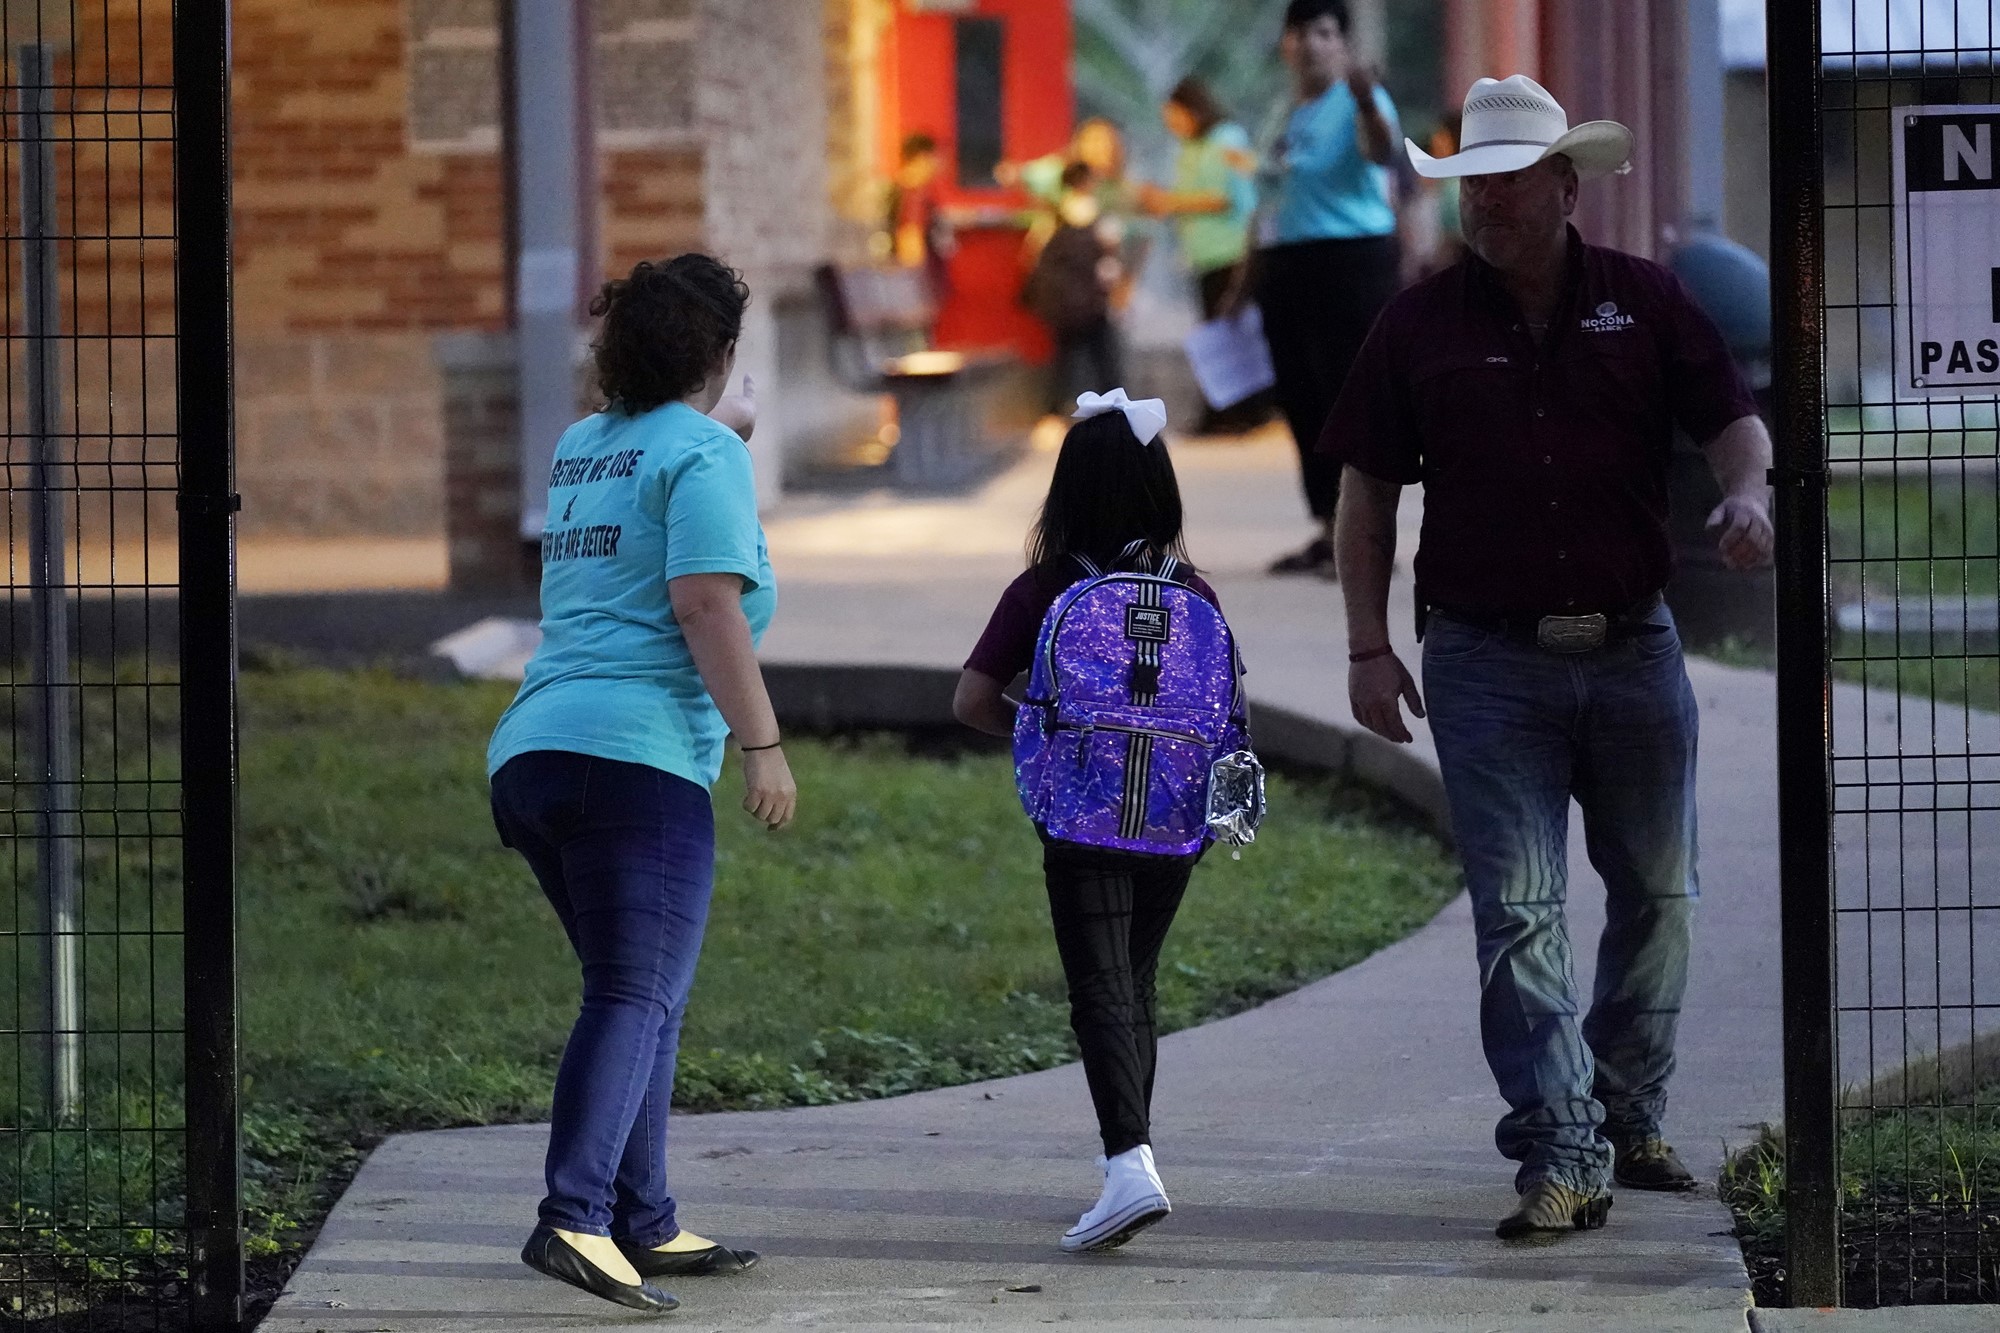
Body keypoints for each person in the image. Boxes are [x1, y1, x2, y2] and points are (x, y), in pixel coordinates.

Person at [1322, 75, 1776, 1239]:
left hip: (1632, 650)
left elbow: (1733, 418)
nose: (1486, 201)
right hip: (1485, 662)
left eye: (1508, 179)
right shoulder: (1415, 325)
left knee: (1659, 895)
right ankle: (1561, 1147)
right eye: (1472, 181)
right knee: (1518, 913)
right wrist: (1368, 645)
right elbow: (1364, 493)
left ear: (1565, 187)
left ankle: (1626, 1112)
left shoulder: (1646, 302)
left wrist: (1743, 496)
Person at [487, 254, 796, 1313]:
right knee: (634, 991)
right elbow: (704, 604)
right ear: (717, 356)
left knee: (641, 994)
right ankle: (574, 1216)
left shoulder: (585, 445)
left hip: (535, 753)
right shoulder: (702, 449)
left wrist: (721, 435)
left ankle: (644, 1220)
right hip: (635, 761)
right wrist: (762, 743)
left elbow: (648, 494)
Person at [952, 392, 1227, 1254]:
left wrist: (1043, 736)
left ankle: (1128, 1163)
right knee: (1134, 982)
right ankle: (1132, 1156)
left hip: (1081, 821)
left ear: (1064, 490)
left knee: (1102, 987)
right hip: (1176, 821)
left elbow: (969, 701)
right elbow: (1227, 710)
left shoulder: (1043, 589)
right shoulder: (1196, 592)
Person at [1252, 0, 1402, 578]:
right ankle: (1326, 528)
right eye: (1299, 33)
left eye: (1323, 32)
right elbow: (1269, 194)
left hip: (1351, 262)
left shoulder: (1361, 101)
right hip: (1289, 263)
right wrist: (1246, 278)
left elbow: (1381, 152)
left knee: (1348, 399)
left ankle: (1365, 539)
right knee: (1302, 399)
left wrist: (1366, 99)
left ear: (1340, 43)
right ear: (1286, 44)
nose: (1310, 44)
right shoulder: (1284, 112)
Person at [1140, 76, 1270, 435]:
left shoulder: (1225, 139)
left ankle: (1244, 412)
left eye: (1175, 116)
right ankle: (1225, 411)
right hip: (1204, 255)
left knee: (1234, 336)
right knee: (1216, 339)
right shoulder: (1191, 147)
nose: (1172, 125)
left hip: (1231, 250)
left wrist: (1169, 202)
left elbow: (1223, 196)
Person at [1025, 161, 1127, 415]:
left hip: (1061, 302)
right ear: (1087, 182)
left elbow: (1031, 254)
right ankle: (1116, 413)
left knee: (1062, 362)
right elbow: (1112, 252)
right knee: (1105, 360)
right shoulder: (1098, 212)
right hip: (1093, 299)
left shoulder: (1053, 214)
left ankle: (1053, 414)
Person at [888, 132, 955, 299]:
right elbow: (910, 235)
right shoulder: (914, 192)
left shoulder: (901, 187)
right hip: (915, 282)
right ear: (921, 158)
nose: (940, 163)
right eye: (936, 157)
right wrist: (917, 286)